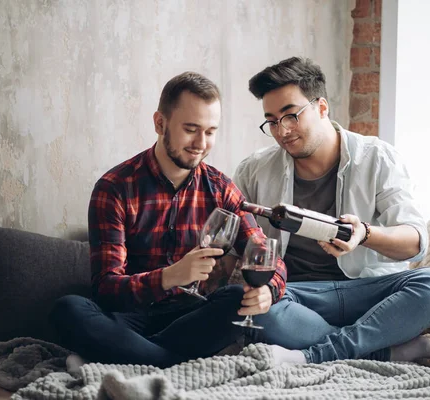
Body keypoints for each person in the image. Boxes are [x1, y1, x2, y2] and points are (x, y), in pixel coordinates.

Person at [49, 72, 287, 370]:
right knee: (68, 308)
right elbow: (106, 289)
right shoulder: (115, 188)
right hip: (127, 318)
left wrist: (270, 289)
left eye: (210, 131)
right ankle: (168, 362)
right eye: (191, 129)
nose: (201, 143)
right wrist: (170, 276)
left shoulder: (222, 188)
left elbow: (265, 253)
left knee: (238, 297)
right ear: (160, 123)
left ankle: (124, 357)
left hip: (191, 318)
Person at [233, 57, 430, 365]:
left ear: (321, 107)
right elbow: (232, 238)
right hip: (298, 297)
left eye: (291, 116)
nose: (282, 131)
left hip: (368, 295)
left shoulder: (378, 158)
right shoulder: (255, 170)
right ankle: (386, 350)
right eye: (271, 121)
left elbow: (415, 242)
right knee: (251, 306)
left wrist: (364, 234)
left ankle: (313, 354)